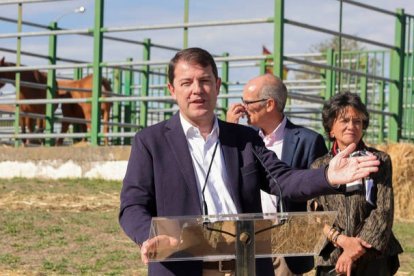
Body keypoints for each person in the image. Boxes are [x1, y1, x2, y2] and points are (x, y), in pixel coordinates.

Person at [119, 47, 380, 276]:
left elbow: (285, 180)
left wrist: (327, 176)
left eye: (205, 80)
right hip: (181, 266)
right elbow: (132, 205)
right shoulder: (150, 142)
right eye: (187, 82)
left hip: (246, 266)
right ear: (172, 90)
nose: (197, 90)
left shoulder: (245, 138)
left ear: (218, 85)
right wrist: (149, 236)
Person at [227, 74, 328, 276]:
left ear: (269, 104)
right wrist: (231, 131)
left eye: (247, 102)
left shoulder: (309, 141)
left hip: (286, 246)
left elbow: (317, 196)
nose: (242, 107)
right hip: (248, 238)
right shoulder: (242, 140)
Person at [308, 91, 403, 276]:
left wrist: (354, 251)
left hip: (373, 257)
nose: (351, 126)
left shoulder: (379, 160)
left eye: (357, 121)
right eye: (344, 120)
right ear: (331, 129)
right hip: (332, 257)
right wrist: (343, 241)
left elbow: (383, 211)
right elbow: (314, 216)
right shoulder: (319, 166)